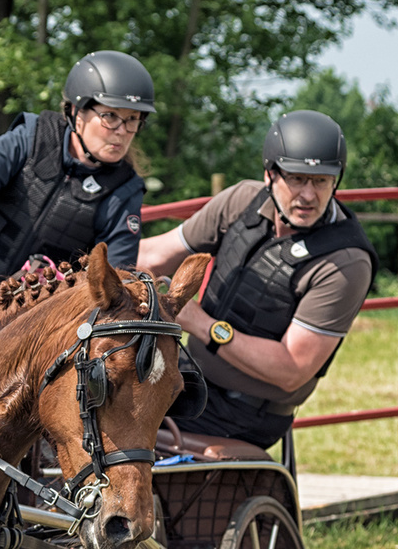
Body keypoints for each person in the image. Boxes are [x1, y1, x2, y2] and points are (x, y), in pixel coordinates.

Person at [136, 109, 377, 451]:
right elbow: (153, 255)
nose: (308, 195)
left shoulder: (345, 262)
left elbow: (292, 368)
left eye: (321, 181)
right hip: (188, 377)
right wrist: (81, 264)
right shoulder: (242, 200)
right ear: (270, 174)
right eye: (296, 178)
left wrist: (199, 323)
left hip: (245, 413)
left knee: (119, 438)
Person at [0, 51, 154, 329]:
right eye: (110, 116)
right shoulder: (31, 138)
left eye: (133, 119)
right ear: (76, 111)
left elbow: (115, 273)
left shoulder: (125, 190)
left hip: (31, 322)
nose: (122, 131)